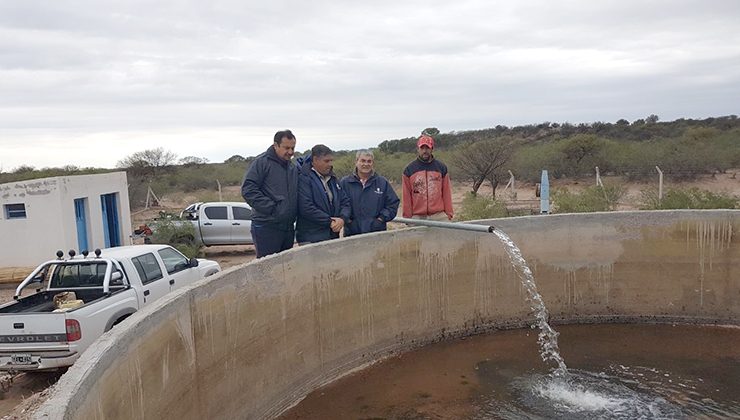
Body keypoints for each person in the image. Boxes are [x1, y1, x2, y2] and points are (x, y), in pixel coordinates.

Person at [241, 129, 299, 258]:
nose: (290, 152)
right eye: (286, 148)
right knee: (267, 269)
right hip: (266, 226)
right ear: (276, 145)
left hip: (288, 227)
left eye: (293, 148)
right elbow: (248, 190)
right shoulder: (261, 163)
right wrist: (272, 209)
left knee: (284, 267)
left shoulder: (291, 167)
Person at [295, 144, 351, 244]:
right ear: (315, 160)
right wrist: (329, 222)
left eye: (331, 161)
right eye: (326, 161)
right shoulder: (304, 178)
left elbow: (345, 201)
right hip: (311, 237)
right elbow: (306, 207)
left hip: (332, 235)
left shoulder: (333, 179)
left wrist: (342, 219)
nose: (330, 164)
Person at [340, 150, 400, 236]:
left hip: (377, 233)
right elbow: (339, 204)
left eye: (369, 161)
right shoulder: (345, 183)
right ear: (356, 162)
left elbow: (393, 203)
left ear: (373, 163)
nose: (366, 164)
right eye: (363, 161)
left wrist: (381, 219)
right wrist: (348, 220)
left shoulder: (382, 182)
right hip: (352, 233)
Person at [402, 134, 454, 220]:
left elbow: (446, 192)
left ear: (432, 149)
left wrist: (449, 213)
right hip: (417, 216)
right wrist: (407, 217)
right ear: (418, 149)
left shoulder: (441, 168)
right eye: (422, 148)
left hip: (439, 215)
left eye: (427, 148)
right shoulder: (409, 170)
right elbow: (406, 196)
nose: (425, 151)